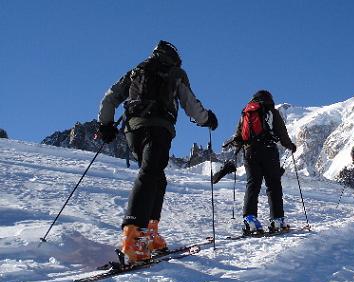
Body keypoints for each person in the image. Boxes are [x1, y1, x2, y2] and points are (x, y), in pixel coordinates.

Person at [97, 40, 218, 264]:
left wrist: (105, 124)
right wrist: (207, 119)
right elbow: (189, 102)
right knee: (151, 172)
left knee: (157, 177)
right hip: (159, 127)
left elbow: (110, 97)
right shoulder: (174, 72)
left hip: (133, 130)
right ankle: (134, 237)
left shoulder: (137, 71)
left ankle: (150, 233)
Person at [228, 90, 296, 234]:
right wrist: (290, 146)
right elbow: (282, 133)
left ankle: (250, 221)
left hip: (250, 152)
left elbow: (238, 137)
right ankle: (277, 220)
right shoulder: (271, 112)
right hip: (268, 151)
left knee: (253, 185)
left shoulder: (245, 113)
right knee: (273, 185)